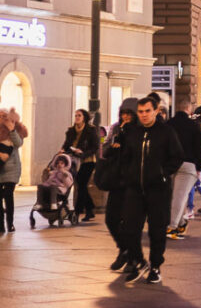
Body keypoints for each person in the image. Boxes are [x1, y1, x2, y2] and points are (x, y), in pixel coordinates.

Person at [119, 96, 184, 284]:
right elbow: (126, 156)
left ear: (156, 110)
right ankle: (139, 260)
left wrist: (163, 174)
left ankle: (155, 266)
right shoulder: (133, 132)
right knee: (129, 227)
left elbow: (177, 156)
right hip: (135, 189)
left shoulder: (166, 132)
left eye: (148, 111)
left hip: (158, 189)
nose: (144, 115)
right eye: (140, 112)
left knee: (157, 230)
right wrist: (127, 175)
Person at [103, 99, 138, 272]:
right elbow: (105, 150)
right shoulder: (116, 128)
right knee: (111, 219)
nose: (126, 117)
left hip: (133, 183)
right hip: (117, 181)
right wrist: (112, 147)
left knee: (130, 223)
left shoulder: (140, 131)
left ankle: (132, 257)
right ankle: (124, 249)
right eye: (123, 113)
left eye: (129, 114)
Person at [167, 99, 201, 240]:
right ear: (189, 109)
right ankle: (172, 227)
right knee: (180, 196)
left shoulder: (168, 124)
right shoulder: (194, 126)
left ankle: (181, 223)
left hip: (170, 165)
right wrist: (199, 166)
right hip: (188, 164)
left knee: (174, 196)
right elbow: (199, 148)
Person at [62, 109, 99, 222]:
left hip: (87, 161)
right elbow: (67, 144)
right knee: (81, 185)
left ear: (84, 118)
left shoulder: (91, 130)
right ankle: (89, 209)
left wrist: (83, 153)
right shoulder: (71, 130)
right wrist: (63, 150)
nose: (77, 117)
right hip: (73, 160)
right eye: (76, 115)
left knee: (81, 184)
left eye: (79, 115)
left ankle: (78, 212)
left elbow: (95, 147)